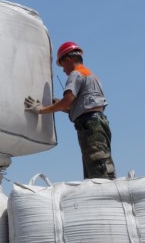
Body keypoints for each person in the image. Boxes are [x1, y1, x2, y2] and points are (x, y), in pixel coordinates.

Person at [24, 41, 116, 179]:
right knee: (98, 166)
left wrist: (40, 109)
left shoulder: (76, 74)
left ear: (68, 60)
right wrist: (63, 106)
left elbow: (66, 101)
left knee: (98, 171)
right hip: (97, 122)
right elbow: (83, 106)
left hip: (90, 125)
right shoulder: (92, 77)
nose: (63, 70)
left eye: (62, 65)